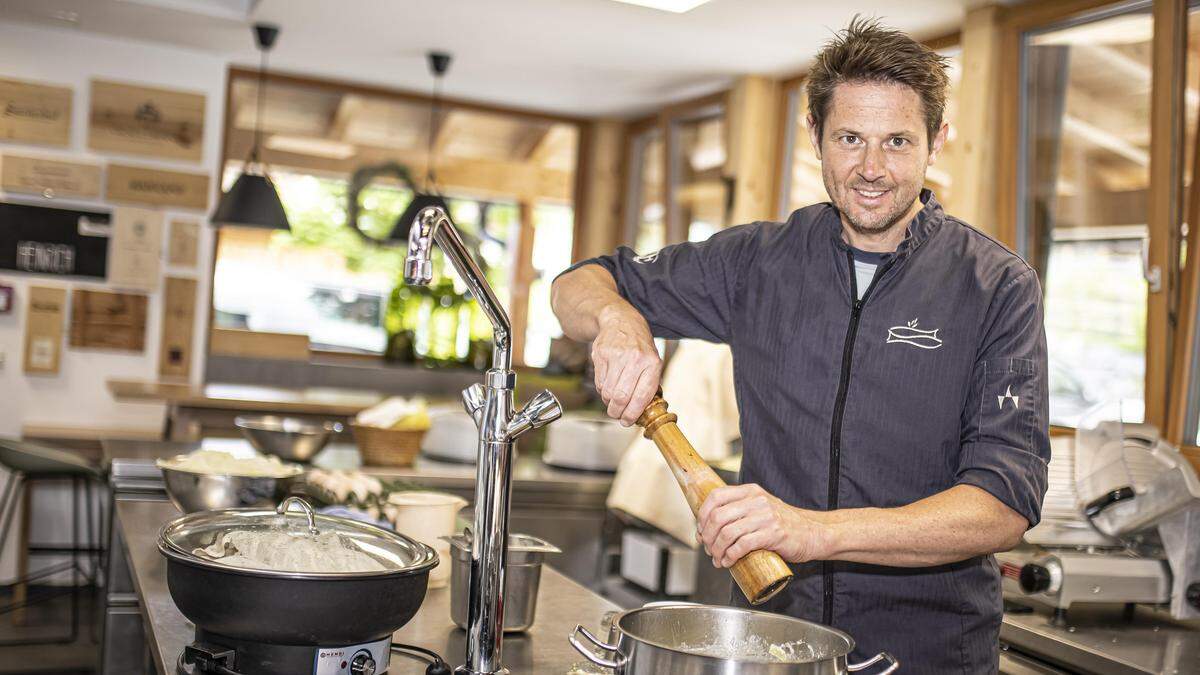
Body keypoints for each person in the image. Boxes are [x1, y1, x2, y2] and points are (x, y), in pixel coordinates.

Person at [551, 17, 1050, 673]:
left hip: (928, 654)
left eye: (897, 141)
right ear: (815, 136)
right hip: (770, 647)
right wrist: (617, 319)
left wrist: (811, 529)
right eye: (849, 138)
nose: (872, 169)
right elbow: (577, 283)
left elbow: (1003, 506)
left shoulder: (996, 286)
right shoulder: (756, 261)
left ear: (937, 141)